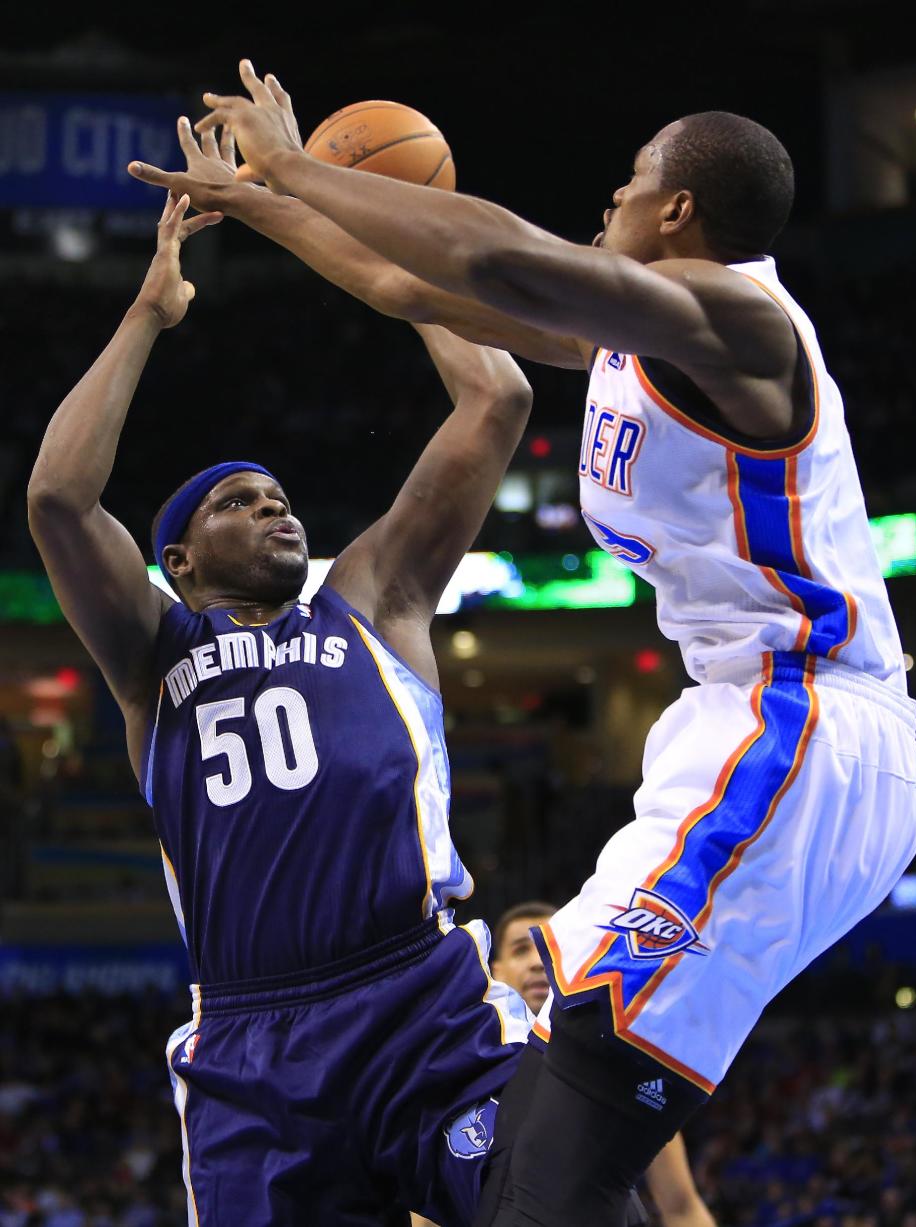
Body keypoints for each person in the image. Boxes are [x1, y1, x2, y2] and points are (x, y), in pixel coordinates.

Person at [131, 60, 916, 1225]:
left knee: (572, 1097)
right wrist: (270, 204)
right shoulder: (633, 340)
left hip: (804, 723)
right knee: (544, 1080)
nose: (609, 198)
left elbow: (499, 256)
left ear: (679, 213)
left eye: (629, 182)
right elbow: (418, 286)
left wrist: (304, 161)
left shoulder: (741, 320)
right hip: (742, 732)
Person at [27, 188, 540, 1226]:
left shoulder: (372, 598)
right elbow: (57, 501)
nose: (274, 505)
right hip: (255, 1048)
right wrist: (146, 316)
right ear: (176, 561)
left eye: (279, 495)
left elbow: (498, 401)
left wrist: (400, 248)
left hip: (421, 999)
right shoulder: (151, 655)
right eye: (237, 501)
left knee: (557, 1201)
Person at [492, 903, 715, 1227]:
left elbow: (681, 1207)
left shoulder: (623, 1064)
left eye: (553, 946)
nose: (539, 962)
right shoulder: (469, 1067)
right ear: (496, 970)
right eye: (521, 949)